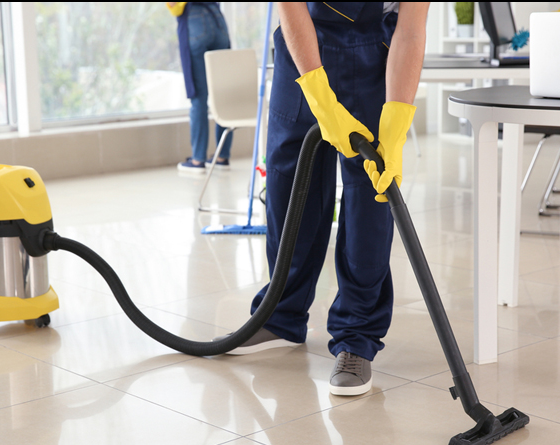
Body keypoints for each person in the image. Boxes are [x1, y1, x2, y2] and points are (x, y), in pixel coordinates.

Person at [215, 2, 430, 397]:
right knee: (289, 184)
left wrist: (396, 121)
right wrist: (319, 94)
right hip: (302, 50)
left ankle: (356, 338)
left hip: (375, 53)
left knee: (369, 198)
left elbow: (412, 29)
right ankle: (280, 316)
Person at [167, 2, 235, 173]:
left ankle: (198, 160)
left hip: (195, 22)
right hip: (218, 22)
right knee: (224, 95)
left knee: (199, 98)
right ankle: (222, 156)